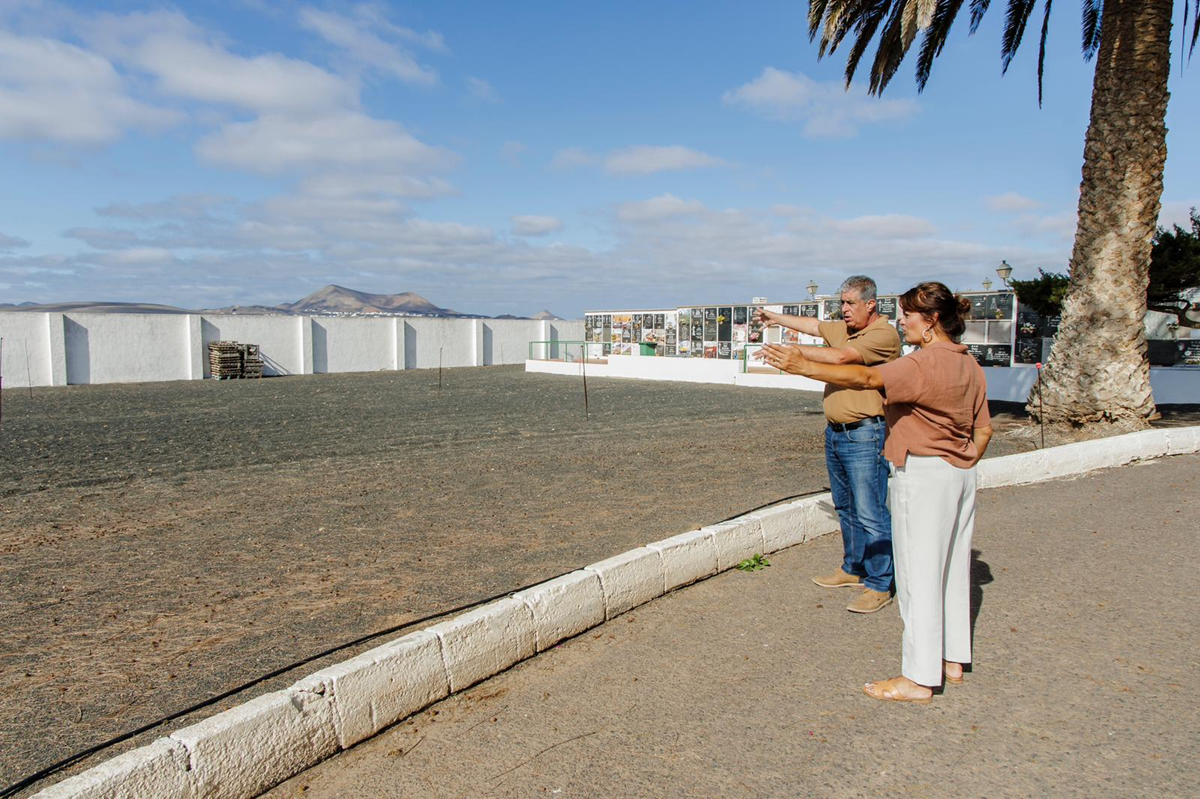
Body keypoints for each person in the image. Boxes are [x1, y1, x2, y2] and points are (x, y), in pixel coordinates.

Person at [757, 281, 993, 703]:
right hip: (959, 474)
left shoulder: (923, 363)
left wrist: (800, 365)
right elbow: (984, 429)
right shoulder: (968, 364)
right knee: (954, 571)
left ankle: (919, 679)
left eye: (907, 315)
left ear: (931, 320)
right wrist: (963, 457)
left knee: (919, 576)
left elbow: (865, 376)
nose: (901, 322)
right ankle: (952, 660)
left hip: (922, 475)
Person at [755, 276, 901, 614]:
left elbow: (840, 358)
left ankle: (880, 583)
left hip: (866, 434)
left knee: (871, 512)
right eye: (842, 303)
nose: (844, 310)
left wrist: (794, 353)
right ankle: (853, 568)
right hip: (836, 433)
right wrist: (777, 319)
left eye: (850, 304)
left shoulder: (882, 335)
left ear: (871, 304)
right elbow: (814, 325)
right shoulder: (847, 327)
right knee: (846, 507)